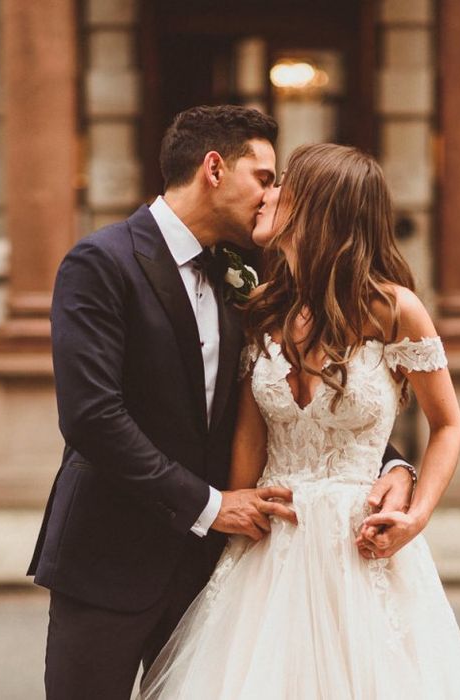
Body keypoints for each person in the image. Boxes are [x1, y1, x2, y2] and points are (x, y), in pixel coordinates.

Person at [27, 107, 414, 699]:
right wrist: (211, 505)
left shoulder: (250, 276)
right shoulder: (101, 263)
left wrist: (391, 466)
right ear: (214, 168)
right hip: (110, 559)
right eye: (263, 177)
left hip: (205, 574)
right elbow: (92, 417)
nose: (269, 197)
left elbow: (302, 393)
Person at [140, 143, 460, 699]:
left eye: (283, 185)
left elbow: (447, 424)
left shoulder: (394, 309)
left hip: (359, 547)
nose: (267, 194)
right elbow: (250, 442)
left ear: (319, 207)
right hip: (270, 551)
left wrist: (416, 512)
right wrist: (233, 507)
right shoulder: (263, 310)